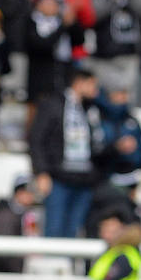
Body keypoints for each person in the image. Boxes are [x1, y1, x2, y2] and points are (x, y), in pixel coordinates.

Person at [29, 67, 103, 239]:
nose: (96, 90)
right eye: (92, 85)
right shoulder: (53, 104)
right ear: (79, 82)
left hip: (85, 179)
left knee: (74, 231)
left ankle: (68, 266)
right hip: (59, 178)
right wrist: (42, 172)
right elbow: (37, 139)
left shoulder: (92, 109)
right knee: (54, 229)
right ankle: (52, 265)